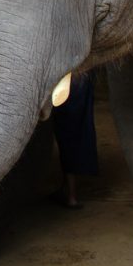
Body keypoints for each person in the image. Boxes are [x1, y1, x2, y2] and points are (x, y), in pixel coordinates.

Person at [51, 71, 98, 209]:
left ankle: (71, 196)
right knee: (73, 132)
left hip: (69, 81)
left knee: (67, 134)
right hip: (81, 79)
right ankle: (67, 188)